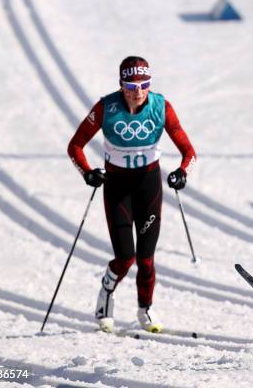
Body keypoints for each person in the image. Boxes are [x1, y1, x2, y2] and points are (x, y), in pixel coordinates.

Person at [67, 56, 196, 333]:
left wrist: (182, 172)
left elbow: (189, 151)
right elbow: (75, 146)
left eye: (144, 85)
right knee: (125, 257)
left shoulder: (162, 107)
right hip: (118, 187)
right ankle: (106, 295)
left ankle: (145, 309)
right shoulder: (106, 108)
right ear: (121, 85)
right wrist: (88, 173)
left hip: (148, 185)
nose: (137, 92)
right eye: (130, 85)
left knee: (146, 258)